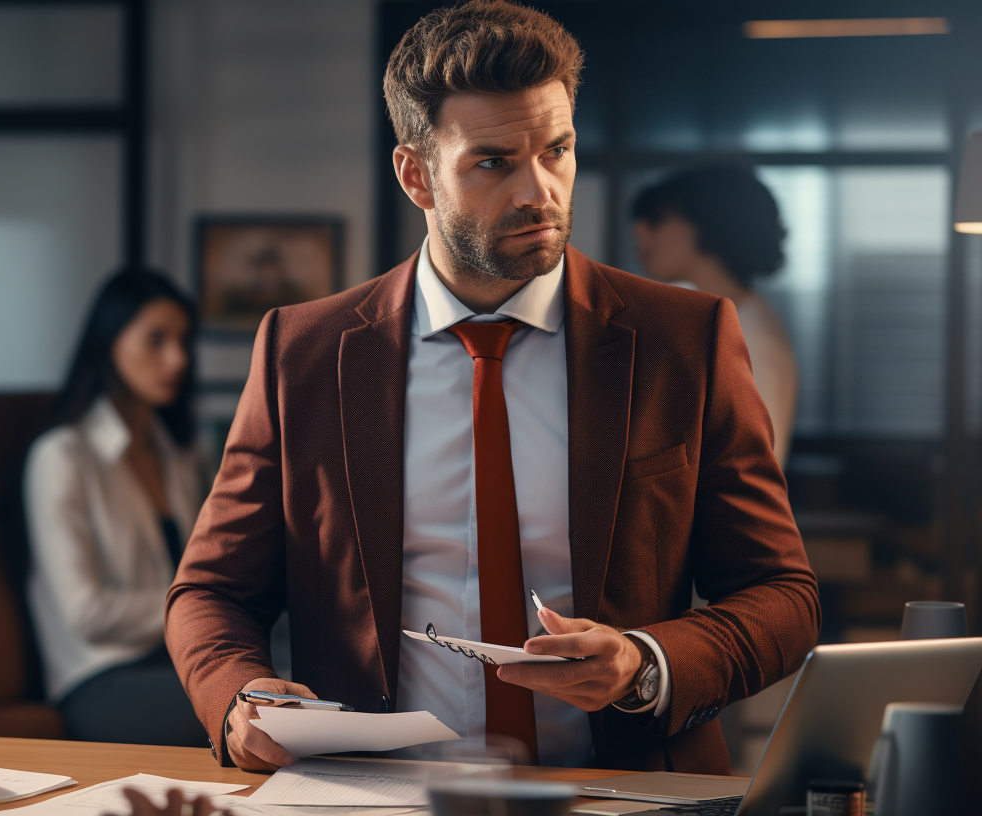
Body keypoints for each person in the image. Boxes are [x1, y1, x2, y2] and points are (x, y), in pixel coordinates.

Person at [166, 0, 818, 775]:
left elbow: (782, 594)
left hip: (622, 787)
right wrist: (239, 698)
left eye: (557, 150)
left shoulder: (686, 339)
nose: (537, 191)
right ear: (416, 174)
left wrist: (643, 662)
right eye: (493, 162)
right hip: (375, 794)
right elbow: (209, 590)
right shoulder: (302, 353)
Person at [25, 269, 207, 747]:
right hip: (101, 681)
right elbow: (85, 612)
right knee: (271, 708)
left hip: (180, 659)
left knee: (319, 677)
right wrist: (197, 607)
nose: (177, 358)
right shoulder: (62, 456)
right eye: (156, 340)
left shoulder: (179, 454)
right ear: (109, 342)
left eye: (183, 340)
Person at [631, 166, 798, 464]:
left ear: (706, 223)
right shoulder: (717, 320)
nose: (639, 231)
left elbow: (747, 470)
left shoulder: (748, 334)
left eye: (656, 219)